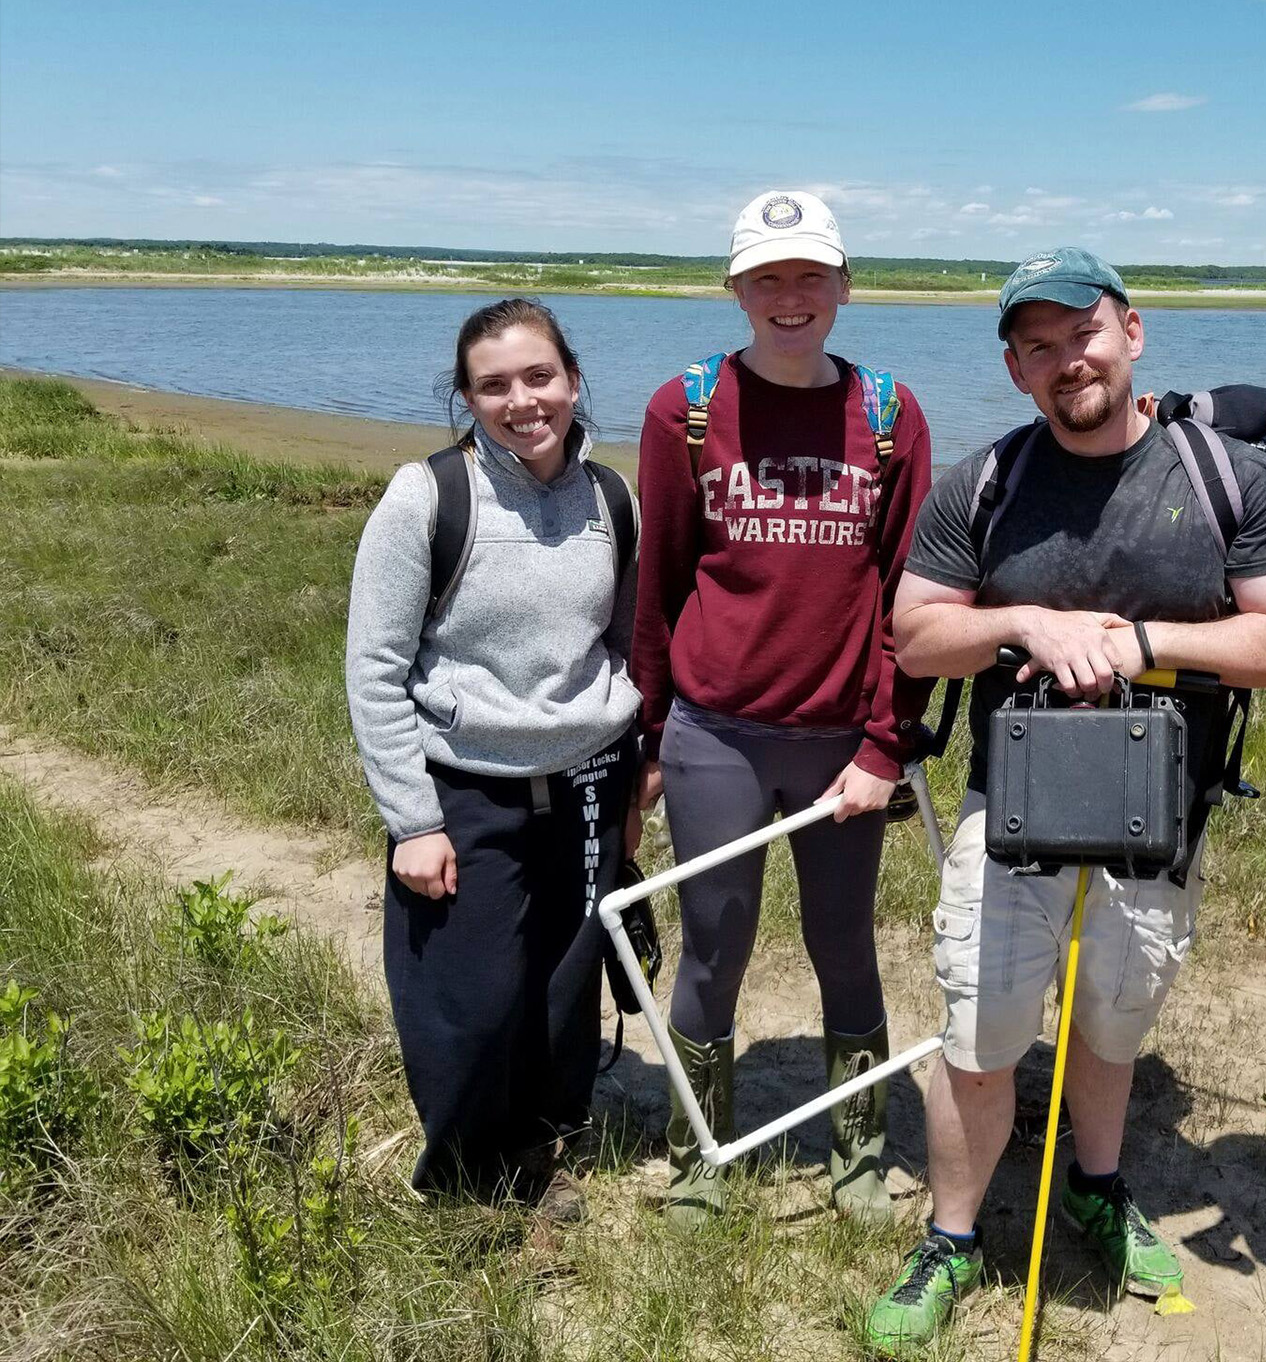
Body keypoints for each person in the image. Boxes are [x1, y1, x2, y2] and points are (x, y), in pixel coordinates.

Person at [863, 247, 1266, 1355]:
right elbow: (916, 634)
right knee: (979, 1035)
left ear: (1131, 331)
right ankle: (951, 1236)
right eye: (1036, 346)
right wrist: (1024, 623)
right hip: (1009, 808)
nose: (1064, 359)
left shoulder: (1231, 481)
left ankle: (1098, 1187)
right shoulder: (985, 483)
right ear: (1017, 370)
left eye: (1081, 331)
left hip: (1158, 815)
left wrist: (1136, 640)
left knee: (1113, 1027)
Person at [629, 189, 934, 1226]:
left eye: (811, 276)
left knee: (843, 942)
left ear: (845, 287)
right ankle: (700, 1156)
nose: (790, 298)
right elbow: (658, 582)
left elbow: (910, 597)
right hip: (715, 729)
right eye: (768, 278)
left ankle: (858, 1150)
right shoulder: (687, 407)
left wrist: (888, 743)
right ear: (736, 290)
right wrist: (650, 738)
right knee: (715, 943)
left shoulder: (889, 415)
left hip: (841, 736)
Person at [346, 297, 641, 1220]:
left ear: (574, 378)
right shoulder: (429, 497)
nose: (523, 400)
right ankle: (464, 1185)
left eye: (539, 376)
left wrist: (639, 778)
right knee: (467, 1001)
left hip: (592, 780)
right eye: (494, 385)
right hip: (463, 787)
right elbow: (376, 668)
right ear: (468, 399)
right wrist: (414, 820)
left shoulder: (612, 498)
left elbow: (625, 644)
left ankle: (543, 1152)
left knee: (563, 988)